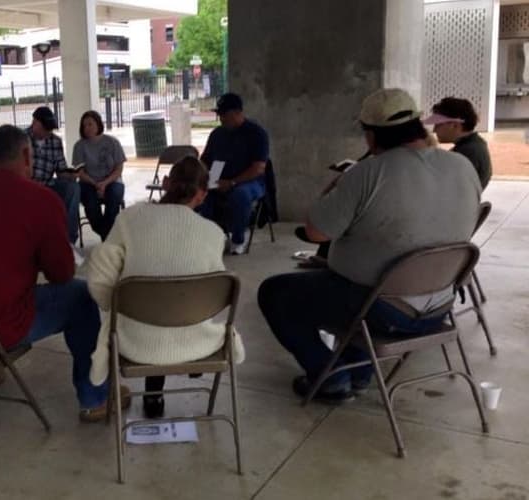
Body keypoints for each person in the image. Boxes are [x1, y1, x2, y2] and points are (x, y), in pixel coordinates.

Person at [258, 88, 481, 403]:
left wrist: (340, 183)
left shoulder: (367, 173)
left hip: (383, 307)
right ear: (417, 123)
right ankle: (359, 372)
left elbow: (316, 231)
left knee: (276, 292)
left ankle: (331, 377)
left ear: (372, 135)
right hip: (440, 305)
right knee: (347, 291)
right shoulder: (462, 166)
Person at [0, 125, 127, 422]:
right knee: (80, 296)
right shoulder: (41, 200)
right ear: (27, 155)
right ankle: (95, 397)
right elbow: (61, 274)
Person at [86, 156, 246, 418]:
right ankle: (190, 364)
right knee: (178, 302)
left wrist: (112, 306)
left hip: (135, 341)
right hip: (198, 342)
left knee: (153, 310)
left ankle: (153, 394)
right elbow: (213, 293)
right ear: (203, 195)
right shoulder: (213, 234)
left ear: (165, 183)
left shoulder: (130, 219)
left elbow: (100, 273)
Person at [198, 93, 270, 255]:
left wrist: (232, 182)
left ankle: (238, 238)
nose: (221, 118)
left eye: (225, 115)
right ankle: (210, 235)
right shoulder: (217, 134)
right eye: (219, 114)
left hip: (249, 181)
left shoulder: (257, 133)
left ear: (238, 113)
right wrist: (204, 177)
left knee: (240, 194)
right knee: (200, 192)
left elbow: (258, 168)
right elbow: (205, 160)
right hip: (218, 175)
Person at [28, 106, 81, 245]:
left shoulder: (55, 141)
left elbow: (60, 169)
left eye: (50, 129)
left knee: (73, 188)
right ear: (35, 123)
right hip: (26, 186)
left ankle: (68, 240)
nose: (49, 132)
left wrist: (70, 174)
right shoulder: (21, 139)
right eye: (46, 128)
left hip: (47, 185)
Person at [73, 111, 126, 242]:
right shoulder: (79, 146)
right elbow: (79, 172)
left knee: (113, 200)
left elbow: (119, 169)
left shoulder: (112, 142)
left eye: (90, 124)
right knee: (91, 205)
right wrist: (95, 183)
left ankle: (107, 239)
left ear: (98, 124)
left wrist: (105, 183)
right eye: (84, 126)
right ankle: (107, 237)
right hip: (88, 183)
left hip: (112, 181)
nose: (87, 128)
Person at [424, 97, 492, 189]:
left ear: (455, 125)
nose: (434, 130)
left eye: (438, 125)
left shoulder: (466, 153)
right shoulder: (476, 145)